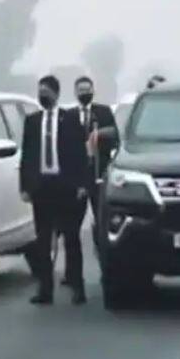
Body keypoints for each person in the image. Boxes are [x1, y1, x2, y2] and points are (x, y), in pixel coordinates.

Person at [20, 75, 90, 306]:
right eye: (40, 92)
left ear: (56, 94)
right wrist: (25, 186)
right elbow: (27, 156)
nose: (43, 96)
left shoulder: (69, 119)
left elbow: (80, 154)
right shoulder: (32, 121)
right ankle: (45, 289)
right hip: (42, 188)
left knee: (71, 239)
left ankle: (77, 287)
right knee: (43, 241)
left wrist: (82, 184)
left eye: (46, 92)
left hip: (66, 187)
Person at [68, 76, 119, 285]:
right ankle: (72, 274)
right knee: (71, 228)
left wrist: (100, 135)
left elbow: (115, 136)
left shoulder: (103, 112)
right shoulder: (69, 116)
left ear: (93, 90)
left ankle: (106, 268)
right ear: (75, 93)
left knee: (101, 225)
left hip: (99, 175)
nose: (84, 93)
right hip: (78, 179)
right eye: (80, 90)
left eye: (87, 89)